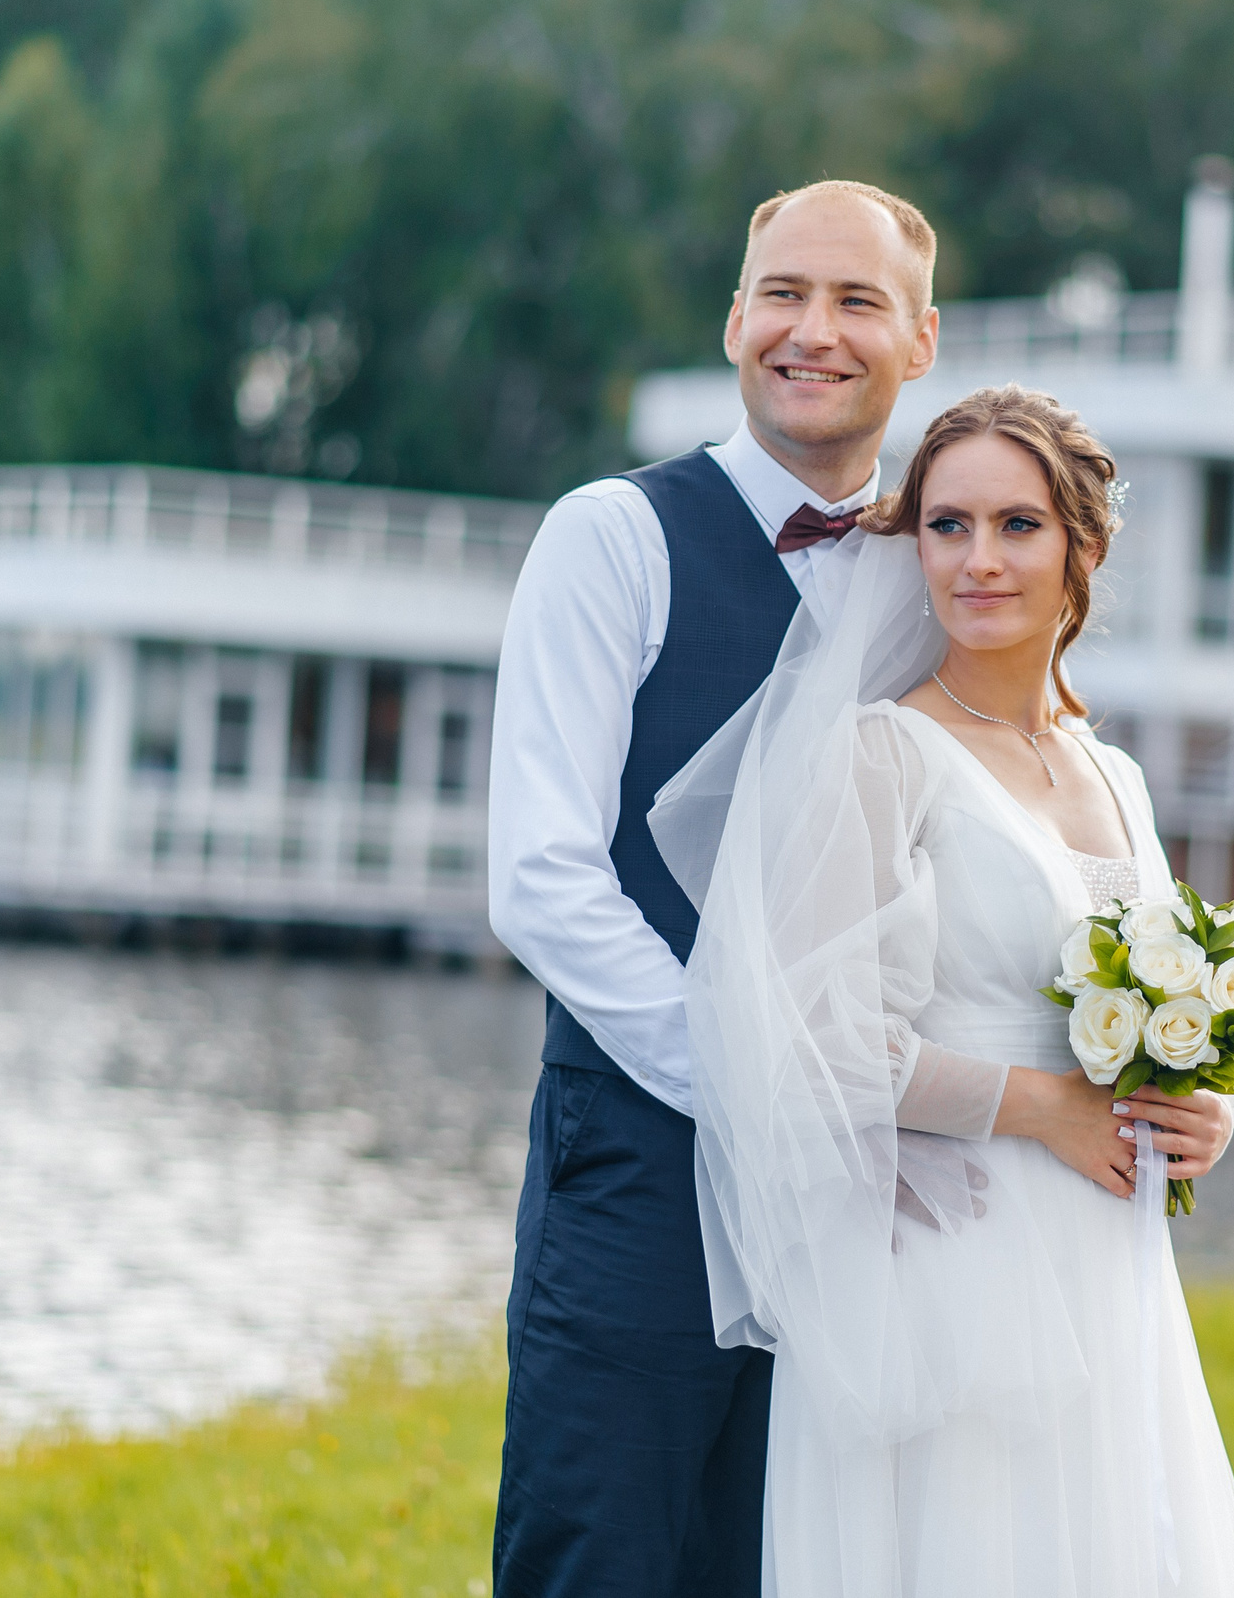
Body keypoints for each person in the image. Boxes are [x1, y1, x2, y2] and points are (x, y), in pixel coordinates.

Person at [649, 385, 1234, 1596]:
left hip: (1106, 1249)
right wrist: (1042, 1107)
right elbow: (816, 1042)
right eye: (947, 525)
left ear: (1081, 546)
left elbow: (1150, 1002)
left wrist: (1209, 1108)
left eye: (1016, 525)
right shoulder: (881, 753)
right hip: (956, 1255)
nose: (978, 559)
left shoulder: (1116, 774)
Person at [487, 178, 962, 1595]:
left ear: (920, 340)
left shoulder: (944, 576)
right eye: (783, 294)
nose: (813, 330)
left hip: (870, 1193)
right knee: (600, 1558)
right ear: (734, 319)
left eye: (857, 300)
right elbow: (543, 875)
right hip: (643, 1166)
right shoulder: (612, 537)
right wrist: (759, 1085)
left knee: (794, 1563)